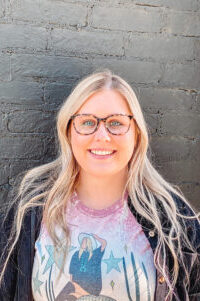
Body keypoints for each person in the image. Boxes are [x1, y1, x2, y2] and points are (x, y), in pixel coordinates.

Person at [0, 69, 199, 301]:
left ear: (136, 133)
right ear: (68, 131)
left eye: (116, 122)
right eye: (87, 122)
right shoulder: (30, 209)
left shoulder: (174, 220)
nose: (102, 136)